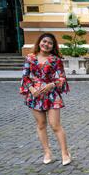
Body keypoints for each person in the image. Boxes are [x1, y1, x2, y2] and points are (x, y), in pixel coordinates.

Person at [20, 33, 71, 165]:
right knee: (41, 124)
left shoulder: (55, 60)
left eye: (50, 43)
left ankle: (65, 153)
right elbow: (25, 76)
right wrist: (32, 90)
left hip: (52, 94)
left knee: (55, 125)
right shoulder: (30, 58)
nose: (46, 44)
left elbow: (62, 78)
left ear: (53, 46)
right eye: (44, 41)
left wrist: (52, 84)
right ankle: (47, 152)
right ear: (39, 42)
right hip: (35, 95)